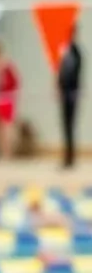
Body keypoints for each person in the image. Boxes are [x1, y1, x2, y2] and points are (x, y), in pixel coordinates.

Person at [59, 26, 82, 169]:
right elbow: (61, 73)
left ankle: (71, 157)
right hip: (65, 93)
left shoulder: (76, 53)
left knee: (70, 125)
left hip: (71, 93)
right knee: (66, 126)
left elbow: (74, 75)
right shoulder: (65, 51)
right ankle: (67, 157)